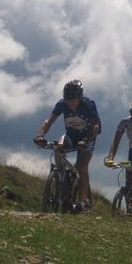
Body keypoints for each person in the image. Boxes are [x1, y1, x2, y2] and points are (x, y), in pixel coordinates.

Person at [33, 79, 100, 213]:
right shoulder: (62, 104)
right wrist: (40, 135)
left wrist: (86, 140)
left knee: (81, 166)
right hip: (70, 136)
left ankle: (82, 203)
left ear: (80, 96)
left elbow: (96, 126)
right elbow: (49, 121)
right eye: (67, 98)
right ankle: (61, 180)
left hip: (87, 138)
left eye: (73, 99)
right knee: (58, 149)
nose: (70, 102)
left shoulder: (88, 104)